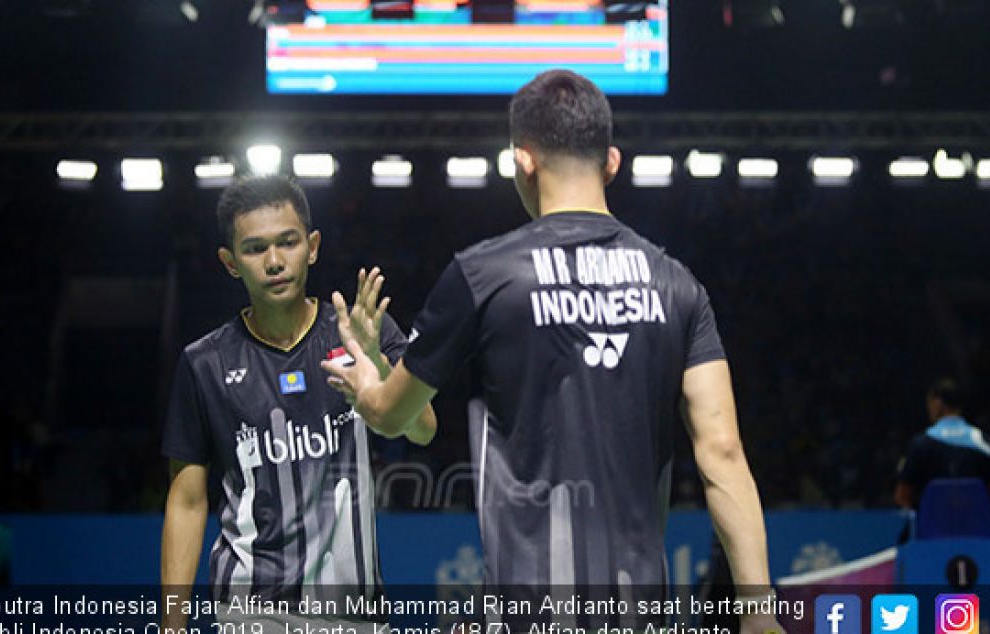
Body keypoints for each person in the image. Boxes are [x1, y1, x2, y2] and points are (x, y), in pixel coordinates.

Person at [323, 70, 780, 632]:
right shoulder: (678, 286)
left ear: (523, 160)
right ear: (611, 162)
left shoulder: (482, 276)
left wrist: (370, 373)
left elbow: (394, 415)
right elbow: (724, 453)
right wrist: (758, 613)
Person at [160, 175, 436, 631]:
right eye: (254, 248)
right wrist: (171, 626)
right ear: (230, 262)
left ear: (312, 246)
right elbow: (187, 502)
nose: (273, 262)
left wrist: (377, 367)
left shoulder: (363, 333)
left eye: (287, 243)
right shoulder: (204, 364)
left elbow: (424, 428)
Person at [894, 378, 990, 509]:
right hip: (978, 528)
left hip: (932, 529)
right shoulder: (984, 442)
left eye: (929, 403)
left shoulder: (921, 444)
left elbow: (902, 497)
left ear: (938, 403)